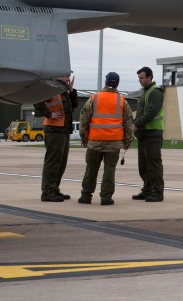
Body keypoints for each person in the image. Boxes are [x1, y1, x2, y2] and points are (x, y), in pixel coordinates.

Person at [78, 72, 133, 205]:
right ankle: (106, 197)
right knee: (109, 171)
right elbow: (128, 123)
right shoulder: (122, 101)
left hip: (94, 142)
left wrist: (83, 137)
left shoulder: (94, 98)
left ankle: (86, 196)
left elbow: (84, 119)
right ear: (117, 84)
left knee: (91, 169)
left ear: (106, 82)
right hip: (113, 143)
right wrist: (127, 142)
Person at [34, 73, 78, 202]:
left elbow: (73, 105)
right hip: (54, 129)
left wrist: (71, 91)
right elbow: (37, 101)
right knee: (53, 162)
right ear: (58, 76)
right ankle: (47, 192)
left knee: (61, 163)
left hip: (63, 130)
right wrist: (49, 114)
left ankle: (54, 189)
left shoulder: (62, 90)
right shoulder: (51, 88)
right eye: (66, 76)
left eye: (69, 76)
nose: (68, 78)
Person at [132, 66, 165, 202]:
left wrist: (136, 124)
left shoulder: (155, 92)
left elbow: (151, 112)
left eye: (142, 78)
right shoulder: (145, 92)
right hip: (144, 134)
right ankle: (147, 190)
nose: (140, 80)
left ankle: (157, 192)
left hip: (153, 134)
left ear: (150, 78)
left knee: (153, 164)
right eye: (139, 78)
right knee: (143, 165)